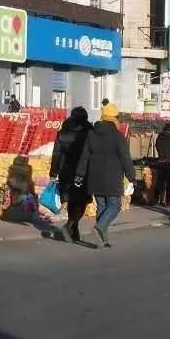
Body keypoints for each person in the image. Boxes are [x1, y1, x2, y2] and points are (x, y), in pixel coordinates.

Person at [73, 103, 135, 248]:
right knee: (115, 205)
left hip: (94, 177)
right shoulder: (117, 136)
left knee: (102, 206)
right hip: (112, 177)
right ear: (115, 118)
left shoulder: (92, 134)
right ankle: (99, 228)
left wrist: (79, 175)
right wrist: (132, 177)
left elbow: (84, 156)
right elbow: (125, 158)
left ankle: (103, 240)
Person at [49, 107, 93, 242]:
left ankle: (74, 232)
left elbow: (56, 154)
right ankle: (69, 225)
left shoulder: (63, 132)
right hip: (83, 172)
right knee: (81, 201)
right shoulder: (88, 133)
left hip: (65, 172)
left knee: (72, 201)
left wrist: (53, 172)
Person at [151, 121, 170, 206]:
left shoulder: (159, 136)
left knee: (160, 181)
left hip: (161, 161)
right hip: (169, 162)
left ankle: (156, 199)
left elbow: (157, 146)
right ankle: (168, 200)